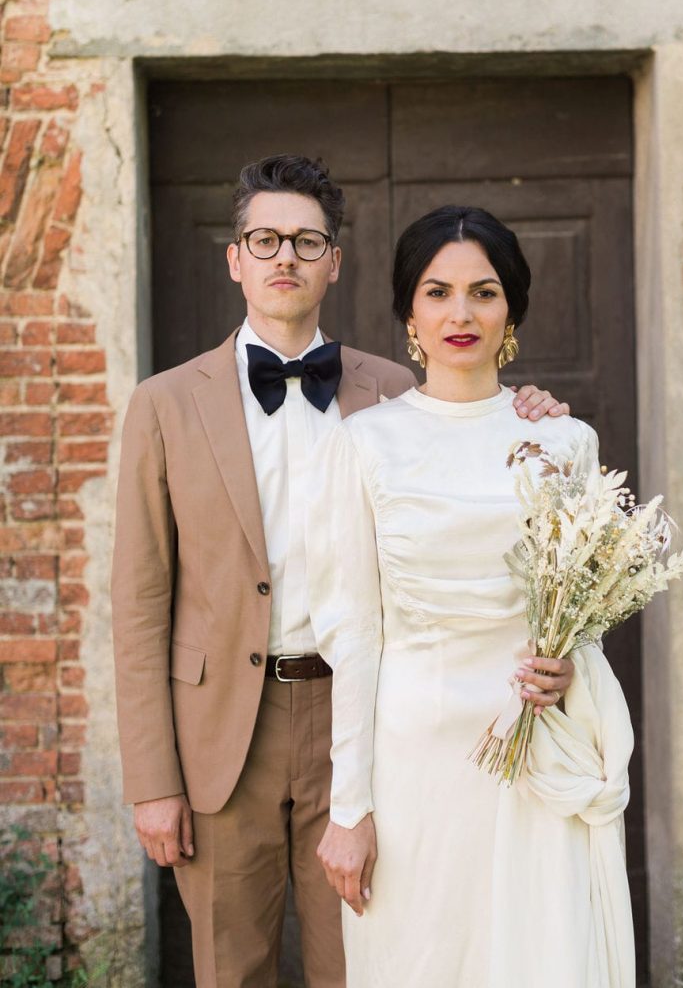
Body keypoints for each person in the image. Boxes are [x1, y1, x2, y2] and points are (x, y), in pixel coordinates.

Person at [110, 156, 576, 988]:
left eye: (305, 240)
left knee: (364, 965)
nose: (284, 256)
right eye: (264, 238)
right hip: (224, 733)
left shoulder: (395, 391)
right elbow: (140, 603)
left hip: (370, 722)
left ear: (334, 259)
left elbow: (478, 431)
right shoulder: (164, 404)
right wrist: (152, 780)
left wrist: (534, 410)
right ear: (235, 257)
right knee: (231, 971)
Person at [308, 205, 636, 988]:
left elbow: (581, 612)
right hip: (414, 754)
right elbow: (353, 633)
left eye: (483, 292)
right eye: (438, 291)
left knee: (536, 955)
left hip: (535, 746)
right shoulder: (364, 443)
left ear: (511, 310)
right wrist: (348, 805)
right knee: (421, 956)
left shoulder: (566, 441)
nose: (461, 313)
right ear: (409, 313)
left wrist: (569, 667)